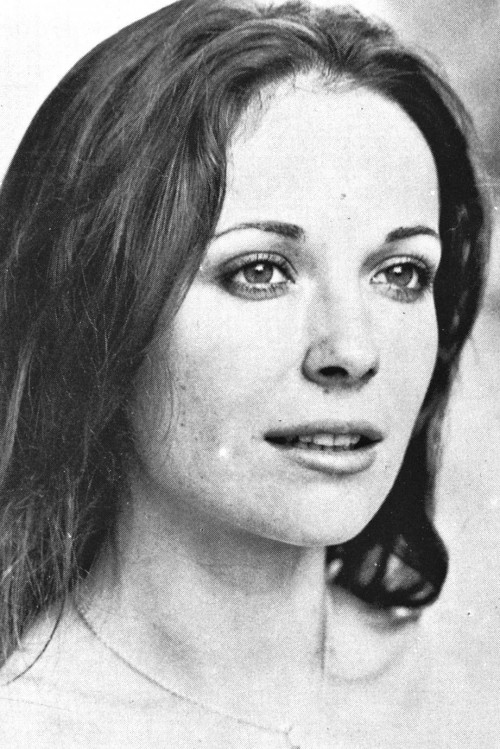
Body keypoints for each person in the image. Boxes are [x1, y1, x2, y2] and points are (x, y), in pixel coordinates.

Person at [0, 0, 492, 746]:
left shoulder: (475, 687)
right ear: (98, 314)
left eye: (400, 273)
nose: (352, 350)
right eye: (259, 271)